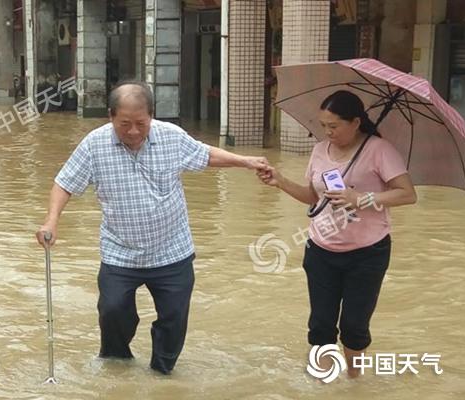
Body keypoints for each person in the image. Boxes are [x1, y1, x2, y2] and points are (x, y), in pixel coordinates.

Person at [36, 81, 269, 375]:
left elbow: (205, 154)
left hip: (172, 251)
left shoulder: (171, 137)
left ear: (152, 116)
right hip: (120, 253)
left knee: (173, 318)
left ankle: (162, 374)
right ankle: (117, 366)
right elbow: (64, 183)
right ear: (110, 116)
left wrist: (245, 161)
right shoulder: (94, 144)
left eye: (141, 123)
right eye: (124, 124)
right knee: (112, 311)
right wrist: (52, 220)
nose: (133, 131)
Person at [257, 90, 417, 378]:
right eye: (323, 126)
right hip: (321, 251)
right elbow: (311, 197)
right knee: (320, 324)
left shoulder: (379, 150)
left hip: (368, 253)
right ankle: (324, 382)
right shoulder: (320, 151)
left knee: (354, 326)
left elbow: (407, 195)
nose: (328, 132)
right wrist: (280, 181)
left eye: (334, 126)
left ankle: (353, 384)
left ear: (356, 122)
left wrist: (362, 198)